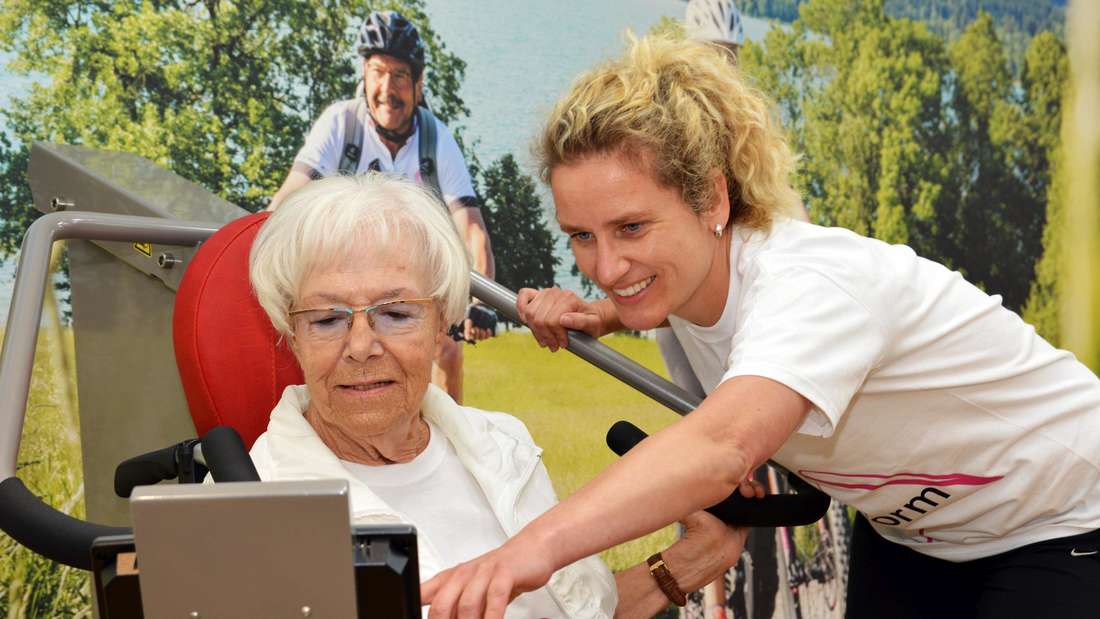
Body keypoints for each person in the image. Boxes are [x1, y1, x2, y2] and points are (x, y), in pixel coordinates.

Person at [419, 34, 1100, 619]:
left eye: (631, 226)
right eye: (581, 236)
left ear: (712, 198)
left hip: (1066, 512)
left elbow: (722, 444)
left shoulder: (808, 286)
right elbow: (704, 352)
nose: (605, 262)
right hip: (920, 535)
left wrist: (522, 554)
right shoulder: (679, 301)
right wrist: (603, 310)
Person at [248, 172, 750, 618]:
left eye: (396, 313)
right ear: (291, 335)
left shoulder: (501, 444)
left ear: (441, 322)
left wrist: (690, 560)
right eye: (326, 319)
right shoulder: (246, 506)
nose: (360, 347)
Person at [268, 10, 494, 404]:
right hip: (338, 271)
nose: (387, 87)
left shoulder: (435, 138)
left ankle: (453, 444)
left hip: (401, 277)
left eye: (400, 76)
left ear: (419, 85)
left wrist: (479, 304)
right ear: (364, 75)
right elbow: (289, 196)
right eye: (377, 72)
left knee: (447, 349)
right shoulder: (342, 124)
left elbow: (470, 227)